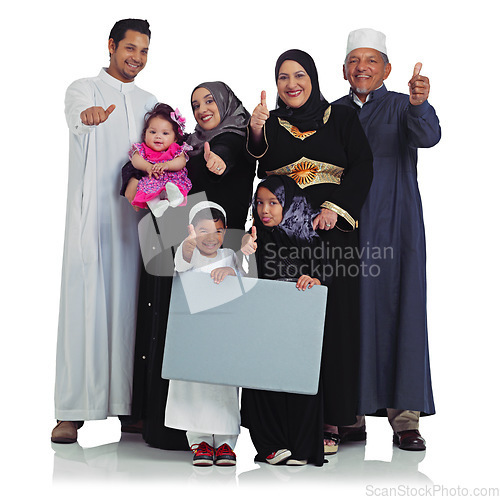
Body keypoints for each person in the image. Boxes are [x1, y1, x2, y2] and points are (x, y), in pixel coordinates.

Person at [247, 49, 373, 455]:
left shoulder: (340, 117)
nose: (291, 84)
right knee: (285, 325)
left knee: (331, 322)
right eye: (283, 77)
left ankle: (332, 418)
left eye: (299, 75)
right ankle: (286, 423)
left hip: (331, 233)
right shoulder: (273, 124)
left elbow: (362, 165)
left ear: (314, 78)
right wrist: (255, 131)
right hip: (282, 239)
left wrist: (336, 209)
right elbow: (260, 168)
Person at [122, 81, 255, 450]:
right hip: (180, 248)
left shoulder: (239, 139)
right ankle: (174, 427)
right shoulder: (189, 145)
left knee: (214, 345)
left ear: (226, 102)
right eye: (195, 104)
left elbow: (225, 161)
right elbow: (151, 173)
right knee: (174, 336)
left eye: (210, 100)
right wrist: (137, 176)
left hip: (220, 256)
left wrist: (216, 162)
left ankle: (218, 434)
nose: (202, 108)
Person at [333, 28, 440, 451]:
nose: (362, 67)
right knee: (350, 314)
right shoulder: (332, 111)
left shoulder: (401, 105)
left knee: (402, 310)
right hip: (345, 229)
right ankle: (350, 413)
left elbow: (428, 136)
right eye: (355, 61)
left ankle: (406, 419)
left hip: (396, 225)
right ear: (344, 70)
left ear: (387, 69)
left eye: (371, 60)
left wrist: (419, 103)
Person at [52, 19, 157, 444]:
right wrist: (88, 116)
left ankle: (127, 406)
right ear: (112, 46)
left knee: (131, 309)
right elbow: (78, 118)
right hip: (93, 217)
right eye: (130, 48)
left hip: (134, 222)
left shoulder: (149, 100)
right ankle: (71, 410)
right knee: (86, 306)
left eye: (145, 51)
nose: (137, 58)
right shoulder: (83, 89)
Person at [241, 176, 327, 466]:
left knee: (298, 380)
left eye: (274, 203)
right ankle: (270, 444)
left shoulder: (309, 239)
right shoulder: (253, 238)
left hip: (298, 326)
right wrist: (245, 252)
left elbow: (324, 276)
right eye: (260, 203)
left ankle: (301, 446)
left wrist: (313, 279)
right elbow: (242, 279)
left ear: (289, 205)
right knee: (264, 383)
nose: (265, 209)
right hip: (263, 326)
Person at [165, 202, 242, 466]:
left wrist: (232, 271)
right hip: (194, 334)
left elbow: (245, 278)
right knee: (194, 387)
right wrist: (187, 248)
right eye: (203, 231)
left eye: (218, 231)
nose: (211, 237)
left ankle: (225, 442)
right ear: (192, 231)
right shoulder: (189, 253)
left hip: (223, 334)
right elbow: (181, 264)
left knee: (223, 388)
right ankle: (199, 442)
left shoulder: (231, 254)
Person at [129, 103, 192, 218]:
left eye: (165, 133)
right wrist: (147, 167)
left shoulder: (176, 149)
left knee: (173, 187)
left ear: (175, 138)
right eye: (153, 132)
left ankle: (175, 197)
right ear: (144, 135)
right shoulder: (143, 149)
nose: (158, 136)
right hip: (152, 180)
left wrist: (167, 165)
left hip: (172, 180)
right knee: (147, 191)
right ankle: (157, 206)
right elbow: (135, 159)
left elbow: (181, 162)